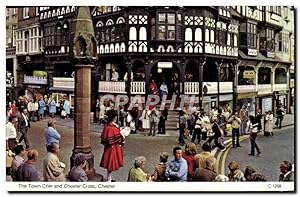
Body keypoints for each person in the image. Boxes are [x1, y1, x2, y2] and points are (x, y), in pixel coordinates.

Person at [100, 110, 124, 182]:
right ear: (113, 117)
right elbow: (116, 138)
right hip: (112, 148)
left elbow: (105, 139)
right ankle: (109, 179)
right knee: (111, 163)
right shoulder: (111, 127)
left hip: (110, 147)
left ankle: (109, 178)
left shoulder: (107, 126)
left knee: (110, 164)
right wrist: (122, 136)